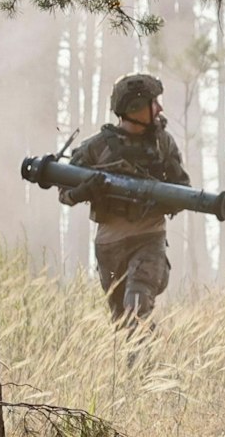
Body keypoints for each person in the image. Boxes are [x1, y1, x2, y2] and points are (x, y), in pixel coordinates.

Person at [60, 73, 191, 326]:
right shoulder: (96, 148)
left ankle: (146, 364)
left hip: (148, 239)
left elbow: (183, 188)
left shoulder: (163, 143)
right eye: (154, 103)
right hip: (109, 247)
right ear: (135, 108)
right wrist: (84, 191)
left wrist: (160, 198)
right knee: (121, 322)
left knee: (137, 308)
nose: (160, 108)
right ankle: (140, 366)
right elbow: (65, 193)